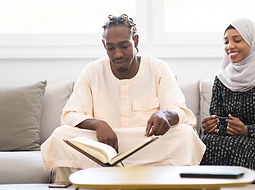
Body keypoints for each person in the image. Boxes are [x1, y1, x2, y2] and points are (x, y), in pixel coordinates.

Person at [41, 14, 206, 186]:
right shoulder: (93, 71)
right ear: (104, 45)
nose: (117, 54)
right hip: (104, 146)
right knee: (61, 135)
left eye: (124, 46)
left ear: (135, 41)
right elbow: (70, 115)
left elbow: (179, 110)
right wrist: (98, 124)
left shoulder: (157, 68)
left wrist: (164, 114)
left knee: (185, 134)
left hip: (146, 144)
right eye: (110, 48)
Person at [200, 18, 255, 185]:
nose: (229, 46)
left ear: (253, 42)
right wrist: (211, 127)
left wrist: (247, 130)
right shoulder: (221, 79)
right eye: (226, 42)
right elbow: (219, 122)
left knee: (242, 147)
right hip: (231, 142)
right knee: (206, 143)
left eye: (237, 40)